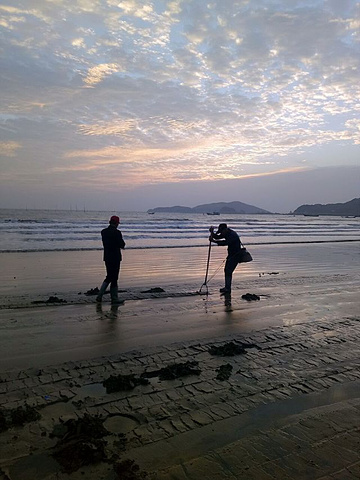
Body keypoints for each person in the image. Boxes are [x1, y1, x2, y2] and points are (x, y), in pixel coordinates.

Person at [96, 215, 125, 305]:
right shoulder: (117, 233)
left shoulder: (103, 232)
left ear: (110, 222)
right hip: (115, 257)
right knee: (114, 278)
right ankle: (114, 298)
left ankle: (100, 296)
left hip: (107, 257)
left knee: (109, 276)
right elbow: (122, 244)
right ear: (116, 223)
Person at [209, 223, 242, 295]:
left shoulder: (232, 235)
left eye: (221, 231)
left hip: (236, 255)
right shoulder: (227, 233)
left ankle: (228, 288)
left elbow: (225, 242)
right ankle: (227, 287)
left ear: (225, 229)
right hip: (231, 255)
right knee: (227, 270)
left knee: (228, 271)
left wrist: (213, 241)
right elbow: (218, 237)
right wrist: (212, 232)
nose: (221, 233)